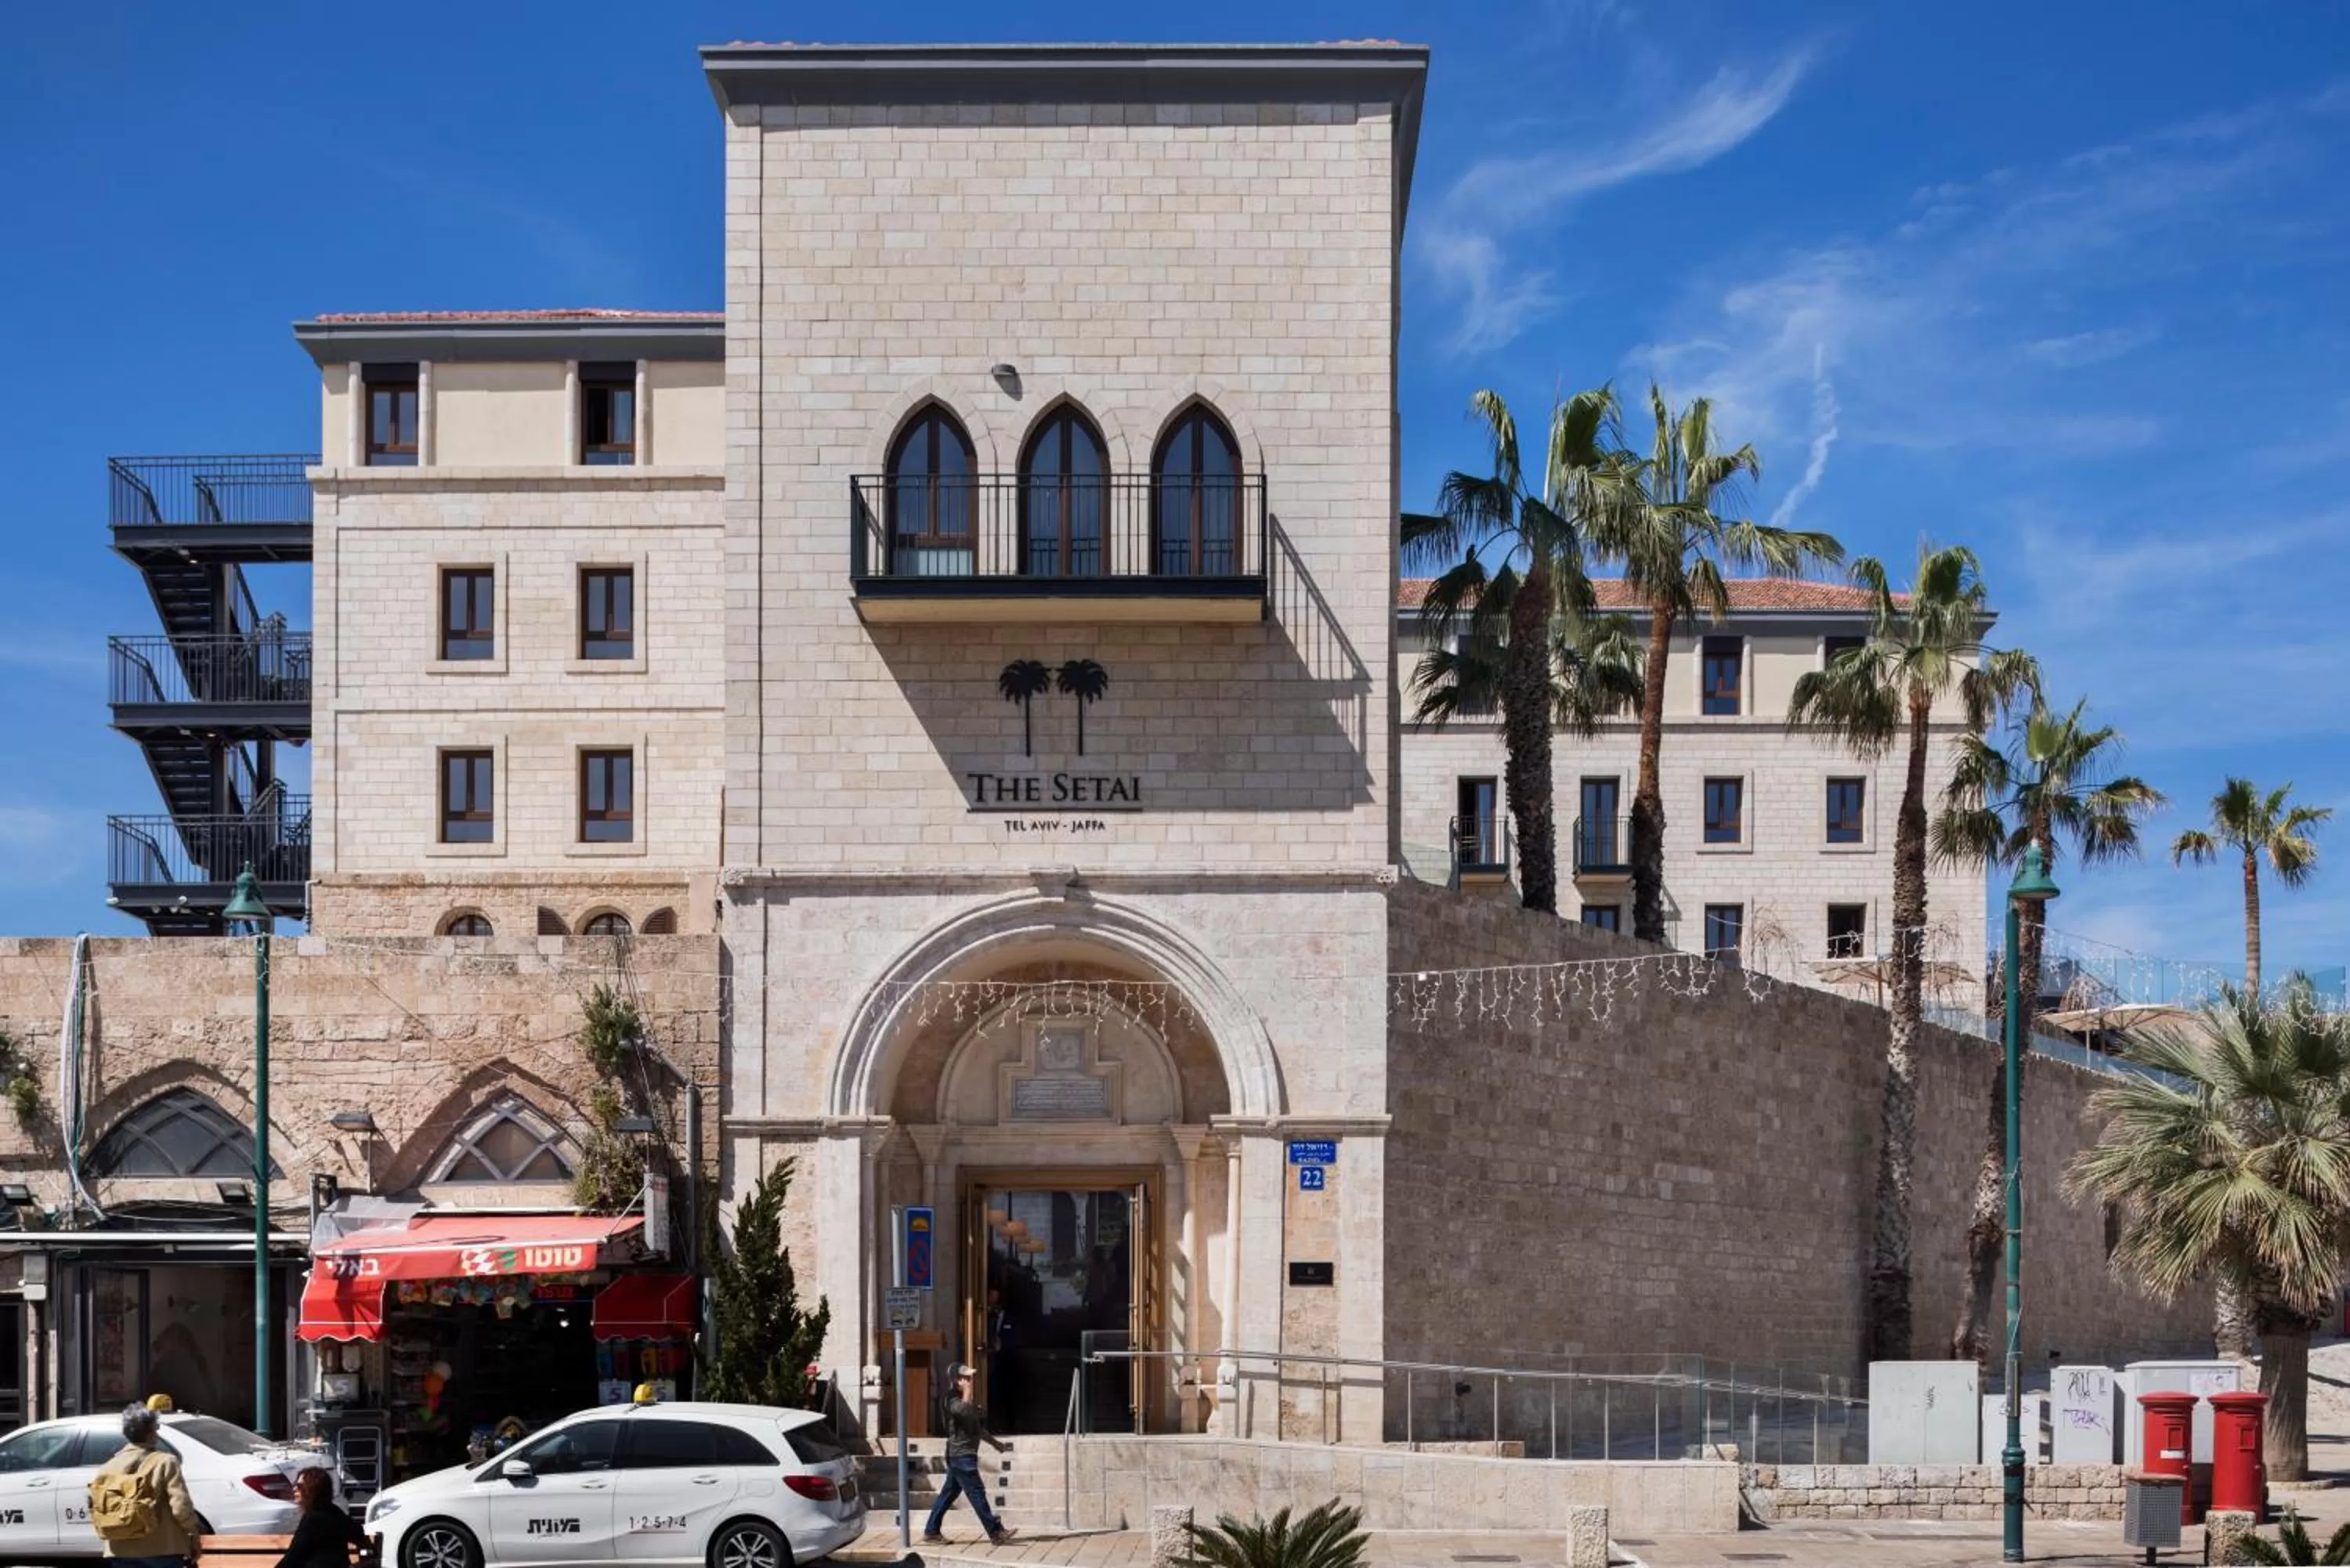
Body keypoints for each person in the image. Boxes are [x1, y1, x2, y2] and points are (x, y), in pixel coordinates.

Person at [89, 1403, 200, 1568]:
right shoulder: (166, 1462)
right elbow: (180, 1508)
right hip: (163, 1549)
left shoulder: (107, 1467)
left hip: (119, 1550)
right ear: (151, 1434)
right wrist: (193, 1533)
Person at [920, 1364, 1014, 1546]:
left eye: (970, 1378)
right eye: (966, 1378)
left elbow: (976, 1429)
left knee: (948, 1494)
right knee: (977, 1493)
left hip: (964, 1455)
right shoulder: (950, 1399)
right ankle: (995, 1532)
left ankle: (931, 1531)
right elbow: (962, 1412)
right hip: (960, 1456)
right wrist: (968, 1392)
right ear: (957, 1380)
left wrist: (996, 1444)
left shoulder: (963, 1398)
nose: (970, 1381)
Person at [274, 1469, 365, 1568]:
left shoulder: (313, 1519)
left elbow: (293, 1558)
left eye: (300, 1486)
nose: (295, 1489)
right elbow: (357, 1532)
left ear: (313, 1489)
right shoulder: (334, 1511)